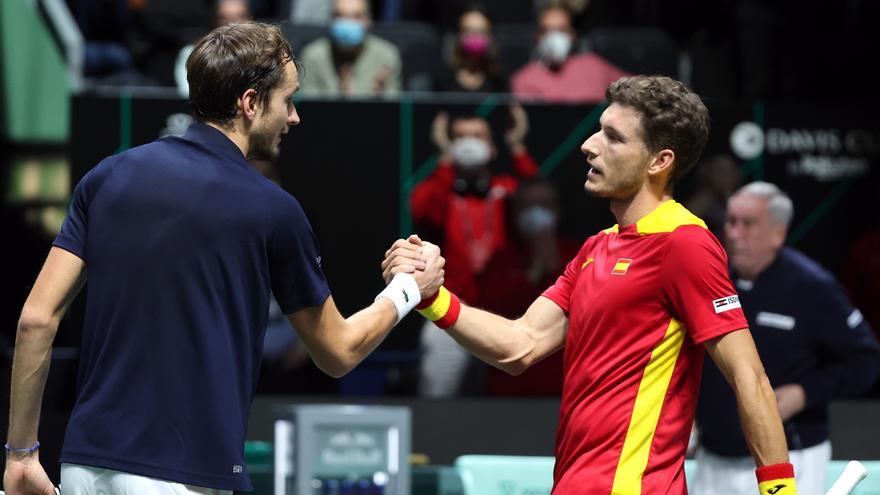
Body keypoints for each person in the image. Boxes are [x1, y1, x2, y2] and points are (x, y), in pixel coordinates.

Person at [3, 21, 443, 495]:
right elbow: (337, 352)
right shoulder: (273, 208)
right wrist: (406, 291)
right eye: (287, 100)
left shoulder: (107, 177)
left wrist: (21, 453)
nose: (294, 117)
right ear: (250, 103)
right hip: (184, 476)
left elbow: (35, 321)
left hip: (85, 468)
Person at [385, 75, 797, 493]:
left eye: (613, 137)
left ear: (659, 161)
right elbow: (519, 344)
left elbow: (750, 378)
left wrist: (779, 490)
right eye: (598, 130)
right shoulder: (595, 248)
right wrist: (432, 297)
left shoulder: (686, 244)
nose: (589, 145)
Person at [692, 182, 880, 495]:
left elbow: (867, 360)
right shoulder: (712, 279)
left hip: (791, 457)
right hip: (714, 458)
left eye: (748, 223)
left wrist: (806, 392)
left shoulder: (812, 287)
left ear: (778, 233)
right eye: (731, 221)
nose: (735, 233)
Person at [411, 107, 538, 397]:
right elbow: (422, 208)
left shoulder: (505, 189)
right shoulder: (443, 192)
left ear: (491, 147)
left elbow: (537, 197)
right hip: (450, 313)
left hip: (506, 316)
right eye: (460, 137)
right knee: (436, 401)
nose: (469, 143)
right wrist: (444, 158)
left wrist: (518, 147)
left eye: (477, 136)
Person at [477, 178, 580, 396]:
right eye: (528, 205)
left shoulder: (579, 254)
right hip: (509, 390)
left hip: (565, 389)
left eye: (544, 204)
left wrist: (555, 268)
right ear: (516, 213)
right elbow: (488, 313)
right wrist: (532, 275)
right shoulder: (501, 261)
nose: (537, 212)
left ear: (557, 210)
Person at [510, 3, 629, 103]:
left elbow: (635, 89)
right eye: (547, 30)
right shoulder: (523, 80)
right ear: (537, 36)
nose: (554, 37)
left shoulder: (595, 67)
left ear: (573, 35)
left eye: (562, 30)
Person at [299, 0, 402, 97]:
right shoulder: (313, 56)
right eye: (340, 16)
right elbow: (309, 107)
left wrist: (379, 100)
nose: (348, 23)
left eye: (356, 16)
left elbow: (395, 106)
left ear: (368, 19)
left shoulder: (386, 55)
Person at [175, 0, 253, 98]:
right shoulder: (193, 53)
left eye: (240, 17)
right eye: (224, 18)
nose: (233, 24)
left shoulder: (267, 54)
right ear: (214, 21)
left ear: (251, 20)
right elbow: (188, 94)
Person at [434, 5, 508, 94]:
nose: (475, 36)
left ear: (490, 37)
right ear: (458, 36)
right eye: (468, 31)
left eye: (481, 31)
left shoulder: (498, 82)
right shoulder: (441, 80)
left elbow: (512, 107)